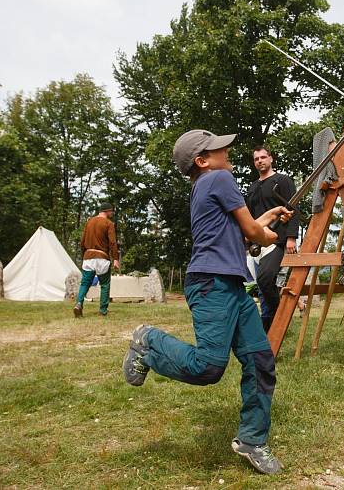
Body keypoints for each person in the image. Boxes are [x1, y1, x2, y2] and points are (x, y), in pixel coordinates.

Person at [122, 129, 292, 474]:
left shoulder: (208, 185)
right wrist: (271, 234)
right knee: (208, 368)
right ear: (202, 161)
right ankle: (148, 340)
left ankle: (252, 440)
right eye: (217, 149)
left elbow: (244, 232)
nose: (226, 151)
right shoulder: (220, 179)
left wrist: (269, 216)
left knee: (260, 362)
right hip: (211, 285)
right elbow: (256, 236)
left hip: (230, 285)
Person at [245, 146, 299, 332]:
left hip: (278, 239)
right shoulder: (252, 187)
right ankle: (267, 327)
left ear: (271, 158)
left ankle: (280, 317)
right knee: (262, 288)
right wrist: (248, 242)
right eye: (256, 159)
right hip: (256, 243)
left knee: (265, 279)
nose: (260, 161)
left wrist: (291, 237)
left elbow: (293, 208)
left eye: (263, 157)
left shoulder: (282, 181)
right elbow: (249, 218)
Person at [73, 202, 119, 317]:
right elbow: (112, 243)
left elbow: (82, 241)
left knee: (85, 283)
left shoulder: (89, 222)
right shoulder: (109, 223)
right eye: (111, 211)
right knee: (104, 284)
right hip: (102, 258)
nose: (112, 213)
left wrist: (84, 254)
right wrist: (116, 259)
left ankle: (79, 303)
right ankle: (103, 310)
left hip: (88, 257)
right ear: (107, 211)